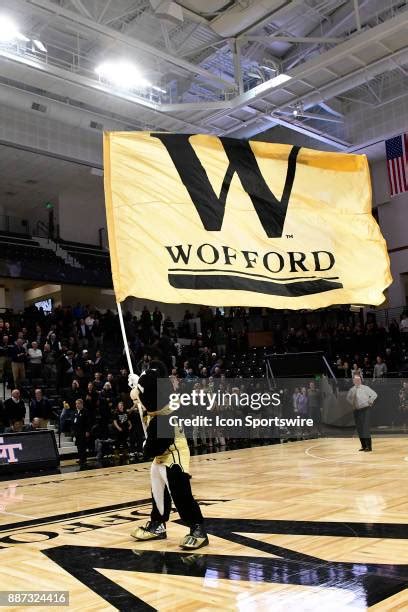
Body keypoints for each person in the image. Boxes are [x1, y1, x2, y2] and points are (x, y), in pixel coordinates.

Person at [130, 362, 208, 550]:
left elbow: (154, 447)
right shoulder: (163, 402)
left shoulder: (165, 418)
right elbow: (145, 395)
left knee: (180, 493)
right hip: (162, 456)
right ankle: (158, 524)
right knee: (157, 489)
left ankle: (197, 528)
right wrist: (137, 384)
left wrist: (145, 447)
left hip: (174, 456)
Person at [346, 375, 377, 452]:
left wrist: (370, 401)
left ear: (361, 380)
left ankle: (369, 447)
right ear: (353, 381)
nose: (357, 381)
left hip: (365, 409)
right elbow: (348, 398)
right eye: (356, 380)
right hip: (356, 411)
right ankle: (363, 446)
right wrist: (352, 404)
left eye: (359, 380)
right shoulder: (352, 390)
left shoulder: (365, 388)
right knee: (359, 429)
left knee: (365, 428)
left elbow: (374, 394)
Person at [72, 398, 90, 467]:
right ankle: (80, 458)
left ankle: (84, 459)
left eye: (78, 403)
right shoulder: (75, 412)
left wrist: (87, 431)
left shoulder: (85, 411)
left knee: (83, 446)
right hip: (77, 432)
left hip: (83, 432)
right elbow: (73, 422)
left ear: (81, 404)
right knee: (78, 446)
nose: (77, 405)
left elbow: (88, 422)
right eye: (76, 404)